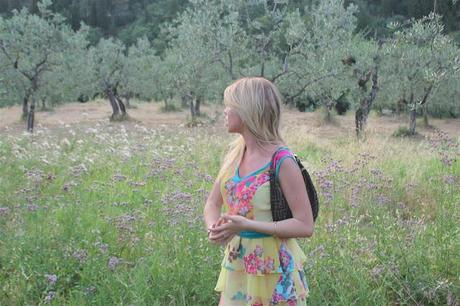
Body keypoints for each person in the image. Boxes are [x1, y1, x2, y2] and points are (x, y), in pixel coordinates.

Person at [203, 77, 314, 306]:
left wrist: (247, 225)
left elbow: (305, 225)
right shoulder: (234, 156)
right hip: (238, 262)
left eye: (230, 105)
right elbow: (212, 204)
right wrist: (213, 228)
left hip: (272, 268)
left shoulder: (282, 161)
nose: (225, 111)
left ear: (247, 110)